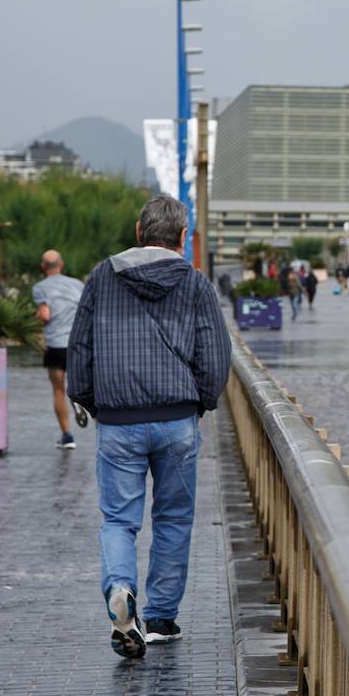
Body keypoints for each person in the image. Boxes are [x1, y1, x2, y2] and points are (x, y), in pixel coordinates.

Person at [66, 194, 232, 659]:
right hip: (178, 418)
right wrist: (202, 399)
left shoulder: (103, 276)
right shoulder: (195, 284)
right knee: (174, 518)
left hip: (118, 420)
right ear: (183, 237)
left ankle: (121, 589)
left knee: (119, 519)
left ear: (139, 232)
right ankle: (159, 619)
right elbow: (215, 351)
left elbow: (80, 344)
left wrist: (88, 399)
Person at [32, 250, 86, 449]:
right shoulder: (77, 285)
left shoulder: (40, 288)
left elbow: (45, 315)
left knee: (58, 390)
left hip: (55, 345)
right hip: (77, 343)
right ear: (61, 264)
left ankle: (67, 436)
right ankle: (79, 401)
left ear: (43, 267)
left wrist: (37, 316)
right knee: (80, 384)